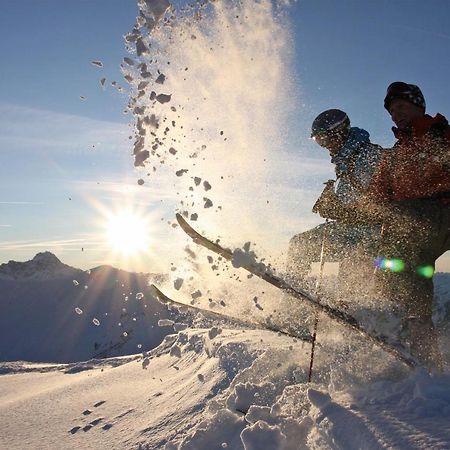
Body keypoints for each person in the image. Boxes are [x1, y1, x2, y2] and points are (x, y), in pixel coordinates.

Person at [366, 82, 450, 368]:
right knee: (391, 248)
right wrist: (338, 210)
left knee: (406, 229)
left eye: (400, 106)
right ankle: (392, 318)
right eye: (391, 111)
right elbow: (374, 200)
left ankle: (413, 332)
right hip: (413, 221)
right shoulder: (394, 156)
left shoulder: (441, 136)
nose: (395, 114)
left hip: (441, 213)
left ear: (418, 104)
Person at [287, 109, 385, 295]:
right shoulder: (346, 161)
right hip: (353, 230)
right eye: (318, 141)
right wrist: (334, 204)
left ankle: (357, 309)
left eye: (324, 139)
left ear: (339, 132)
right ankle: (297, 301)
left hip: (371, 235)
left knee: (353, 259)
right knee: (300, 244)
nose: (323, 146)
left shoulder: (369, 156)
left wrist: (338, 208)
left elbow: (379, 204)